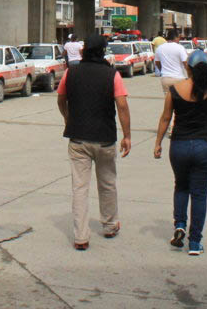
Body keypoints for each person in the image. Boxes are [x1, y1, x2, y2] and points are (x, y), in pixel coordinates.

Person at [56, 33, 131, 251]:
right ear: (103, 51)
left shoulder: (72, 72)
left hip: (78, 138)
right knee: (107, 183)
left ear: (85, 50)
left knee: (79, 188)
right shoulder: (112, 74)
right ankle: (109, 226)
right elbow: (122, 105)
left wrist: (67, 118)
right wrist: (126, 135)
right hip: (105, 138)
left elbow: (61, 98)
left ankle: (80, 237)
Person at [153, 49, 207, 256]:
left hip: (180, 146)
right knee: (199, 194)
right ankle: (194, 243)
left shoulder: (175, 90)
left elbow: (165, 119)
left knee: (181, 186)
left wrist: (158, 142)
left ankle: (180, 225)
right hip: (205, 146)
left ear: (188, 67)